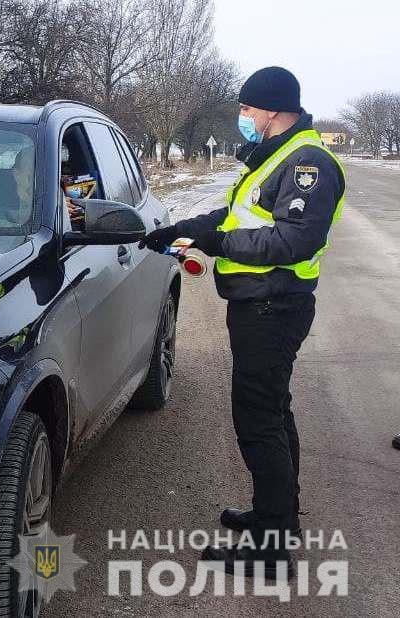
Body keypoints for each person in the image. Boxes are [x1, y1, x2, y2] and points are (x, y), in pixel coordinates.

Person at [140, 66, 346, 577]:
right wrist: (186, 228)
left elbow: (294, 240)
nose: (244, 117)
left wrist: (217, 244)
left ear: (273, 109)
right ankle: (276, 520)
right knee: (273, 412)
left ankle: (271, 552)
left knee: (258, 420)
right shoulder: (273, 156)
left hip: (274, 306)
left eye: (249, 108)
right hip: (259, 303)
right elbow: (236, 217)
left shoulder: (309, 164)